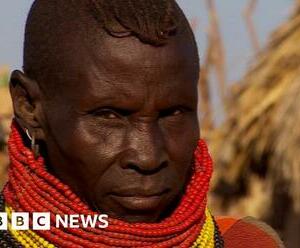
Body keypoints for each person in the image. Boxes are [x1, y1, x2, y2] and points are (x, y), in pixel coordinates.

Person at [0, 0, 285, 247]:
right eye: (110, 116)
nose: (148, 157)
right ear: (29, 107)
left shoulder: (244, 242)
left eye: (173, 113)